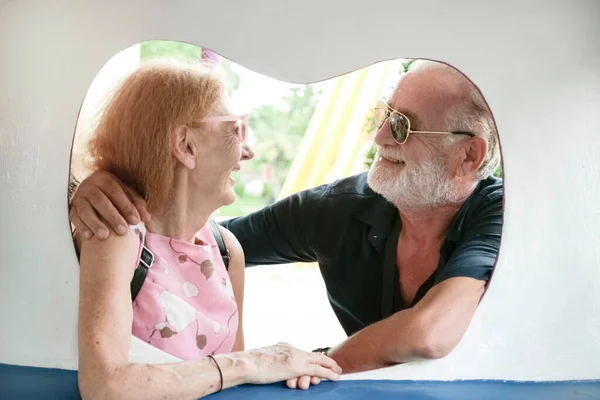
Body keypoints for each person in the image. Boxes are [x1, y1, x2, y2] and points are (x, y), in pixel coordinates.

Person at [70, 59, 503, 375]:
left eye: (404, 126)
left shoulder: (500, 212)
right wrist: (98, 189)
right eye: (384, 115)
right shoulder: (337, 208)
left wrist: (309, 367)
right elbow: (183, 236)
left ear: (468, 155)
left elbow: (430, 334)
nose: (379, 136)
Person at [72, 59, 342, 400]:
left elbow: (234, 388)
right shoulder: (118, 236)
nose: (248, 151)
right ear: (185, 145)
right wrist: (252, 362)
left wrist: (280, 368)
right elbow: (104, 385)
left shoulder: (227, 249)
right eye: (236, 128)